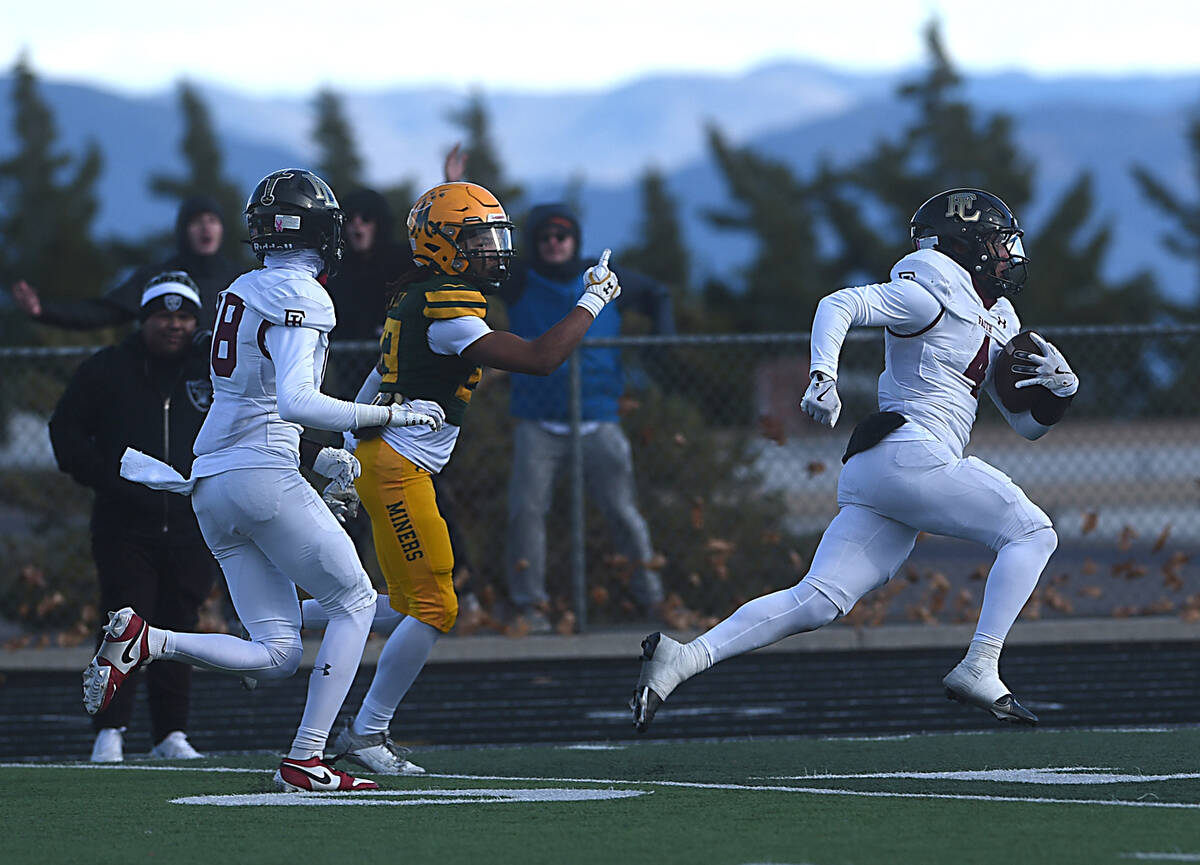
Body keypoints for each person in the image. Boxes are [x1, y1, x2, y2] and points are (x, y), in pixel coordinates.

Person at [631, 188, 1080, 733]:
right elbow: (838, 304)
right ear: (967, 247)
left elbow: (1025, 425)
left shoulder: (997, 316)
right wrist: (824, 375)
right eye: (996, 243)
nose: (1008, 256)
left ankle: (683, 659)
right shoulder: (930, 290)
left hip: (886, 469)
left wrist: (1058, 390)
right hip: (912, 451)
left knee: (817, 600)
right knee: (1034, 532)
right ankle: (981, 663)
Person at [81, 168, 445, 792]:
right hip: (258, 474)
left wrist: (317, 459)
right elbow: (297, 401)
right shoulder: (301, 292)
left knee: (278, 654)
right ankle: (309, 756)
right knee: (354, 601)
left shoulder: (241, 287)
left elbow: (258, 401)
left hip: (211, 484)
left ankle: (150, 640)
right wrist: (391, 414)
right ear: (321, 229)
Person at [327, 181, 624, 776]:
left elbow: (378, 379)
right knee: (437, 606)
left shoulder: (427, 296)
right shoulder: (445, 307)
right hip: (397, 468)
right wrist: (590, 303)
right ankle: (367, 733)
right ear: (440, 244)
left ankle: (283, 621)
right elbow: (540, 359)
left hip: (391, 462)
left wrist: (345, 446)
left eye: (493, 235)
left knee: (402, 602)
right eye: (477, 238)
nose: (493, 248)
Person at [49, 272, 216, 763]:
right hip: (124, 525)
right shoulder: (107, 368)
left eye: (184, 315)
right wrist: (110, 480)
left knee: (179, 625)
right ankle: (110, 729)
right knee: (124, 621)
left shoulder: (211, 370)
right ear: (144, 319)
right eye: (164, 315)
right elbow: (65, 432)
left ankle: (171, 734)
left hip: (191, 522)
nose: (174, 325)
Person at [499, 204, 676, 631]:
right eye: (545, 237)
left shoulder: (601, 278)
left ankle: (652, 600)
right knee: (526, 512)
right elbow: (467, 275)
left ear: (575, 240)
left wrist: (662, 344)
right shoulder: (521, 279)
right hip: (538, 421)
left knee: (623, 512)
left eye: (562, 235)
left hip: (600, 416)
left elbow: (658, 294)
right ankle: (531, 607)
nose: (554, 243)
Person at [12, 196, 241, 328]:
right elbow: (104, 312)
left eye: (212, 220)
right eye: (196, 221)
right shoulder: (158, 278)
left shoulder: (239, 281)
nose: (206, 227)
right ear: (183, 230)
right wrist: (43, 310)